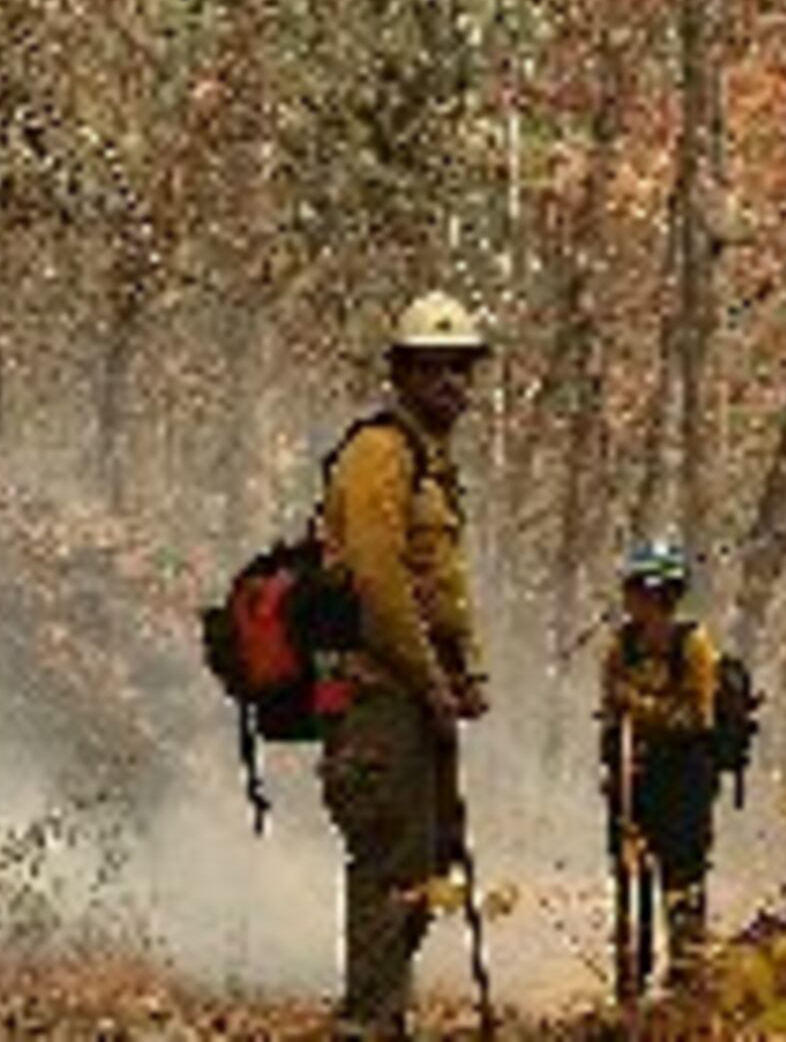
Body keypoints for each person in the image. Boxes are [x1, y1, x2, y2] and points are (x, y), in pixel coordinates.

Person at [314, 289, 494, 1042]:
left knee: (421, 869)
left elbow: (439, 583)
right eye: (434, 369)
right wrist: (431, 681)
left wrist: (468, 675)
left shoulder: (428, 460)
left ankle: (382, 1015)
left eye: (462, 369)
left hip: (415, 699)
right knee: (389, 864)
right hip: (376, 698)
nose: (452, 383)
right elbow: (380, 584)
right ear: (400, 373)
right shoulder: (378, 455)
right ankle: (368, 1023)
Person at [599, 537, 725, 998]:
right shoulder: (621, 646)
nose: (630, 600)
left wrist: (642, 707)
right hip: (635, 776)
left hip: (685, 776)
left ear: (660, 594)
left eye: (638, 590)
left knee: (683, 874)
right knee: (629, 873)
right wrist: (612, 766)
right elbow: (610, 712)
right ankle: (630, 972)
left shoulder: (694, 646)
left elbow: (699, 716)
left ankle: (688, 977)